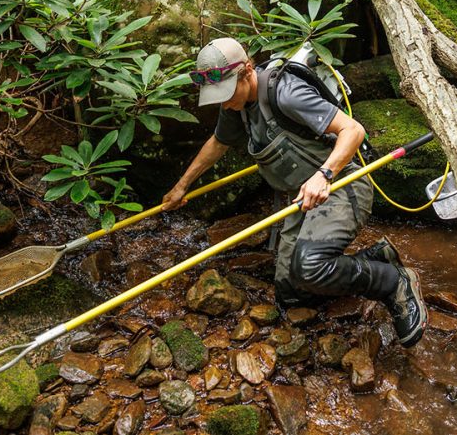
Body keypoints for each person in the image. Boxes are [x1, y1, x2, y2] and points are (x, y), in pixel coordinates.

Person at [163, 37, 428, 346]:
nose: (224, 103)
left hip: (342, 188)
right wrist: (182, 185)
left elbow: (353, 131)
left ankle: (393, 281)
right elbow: (218, 142)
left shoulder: (287, 93)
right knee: (291, 293)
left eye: (226, 93)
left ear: (247, 71)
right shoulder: (237, 104)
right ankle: (375, 257)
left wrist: (324, 174)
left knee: (310, 268)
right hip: (303, 201)